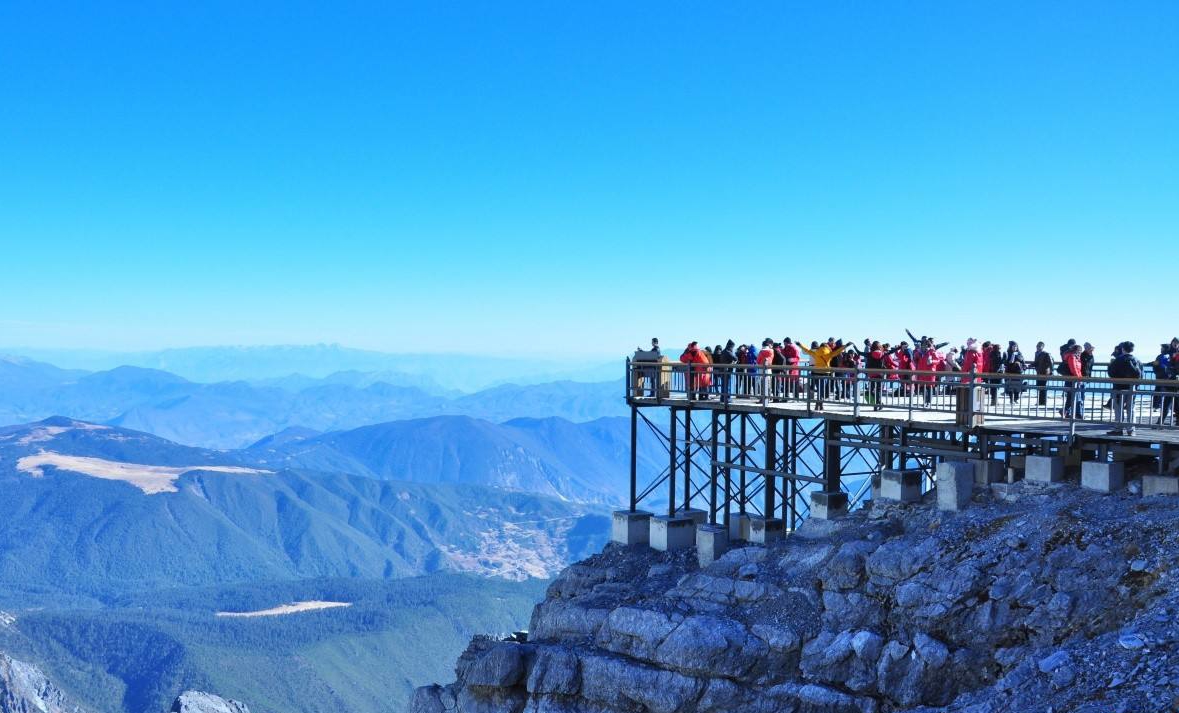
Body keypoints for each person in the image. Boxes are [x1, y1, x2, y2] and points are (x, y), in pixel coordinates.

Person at [798, 338, 849, 411]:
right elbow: (838, 351)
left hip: (815, 372)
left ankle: (819, 405)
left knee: (819, 389)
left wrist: (800, 345)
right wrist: (846, 345)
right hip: (825, 373)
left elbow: (807, 350)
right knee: (822, 390)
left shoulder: (816, 353)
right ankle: (818, 404)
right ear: (827, 347)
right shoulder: (829, 353)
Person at [1107, 341, 1143, 436]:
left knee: (1118, 408)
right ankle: (1131, 430)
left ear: (1123, 349)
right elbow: (1141, 375)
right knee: (1131, 408)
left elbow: (1111, 373)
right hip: (1132, 388)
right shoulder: (1137, 360)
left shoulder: (1118, 360)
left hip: (1119, 388)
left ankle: (1118, 429)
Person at [1061, 343, 1084, 419]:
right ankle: (1066, 411)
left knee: (1071, 397)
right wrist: (1078, 378)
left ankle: (1065, 411)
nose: (1081, 352)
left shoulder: (1075, 357)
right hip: (1072, 380)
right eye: (1080, 351)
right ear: (1077, 350)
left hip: (1074, 379)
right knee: (1073, 397)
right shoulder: (1072, 357)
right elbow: (1073, 369)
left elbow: (1077, 369)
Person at [866, 341, 887, 410]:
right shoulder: (882, 354)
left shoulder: (869, 354)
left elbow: (859, 352)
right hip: (880, 374)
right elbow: (891, 352)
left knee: (871, 390)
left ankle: (876, 405)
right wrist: (899, 347)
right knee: (878, 390)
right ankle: (879, 403)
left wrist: (854, 346)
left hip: (872, 374)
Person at [1033, 342, 1053, 407]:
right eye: (1037, 346)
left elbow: (1051, 363)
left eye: (1039, 346)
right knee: (1038, 386)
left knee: (1043, 387)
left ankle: (1043, 402)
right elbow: (1036, 362)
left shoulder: (1046, 354)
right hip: (1038, 372)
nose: (1038, 347)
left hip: (1044, 373)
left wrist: (1051, 371)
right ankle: (1040, 401)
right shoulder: (1036, 353)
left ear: (1042, 347)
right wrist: (1030, 365)